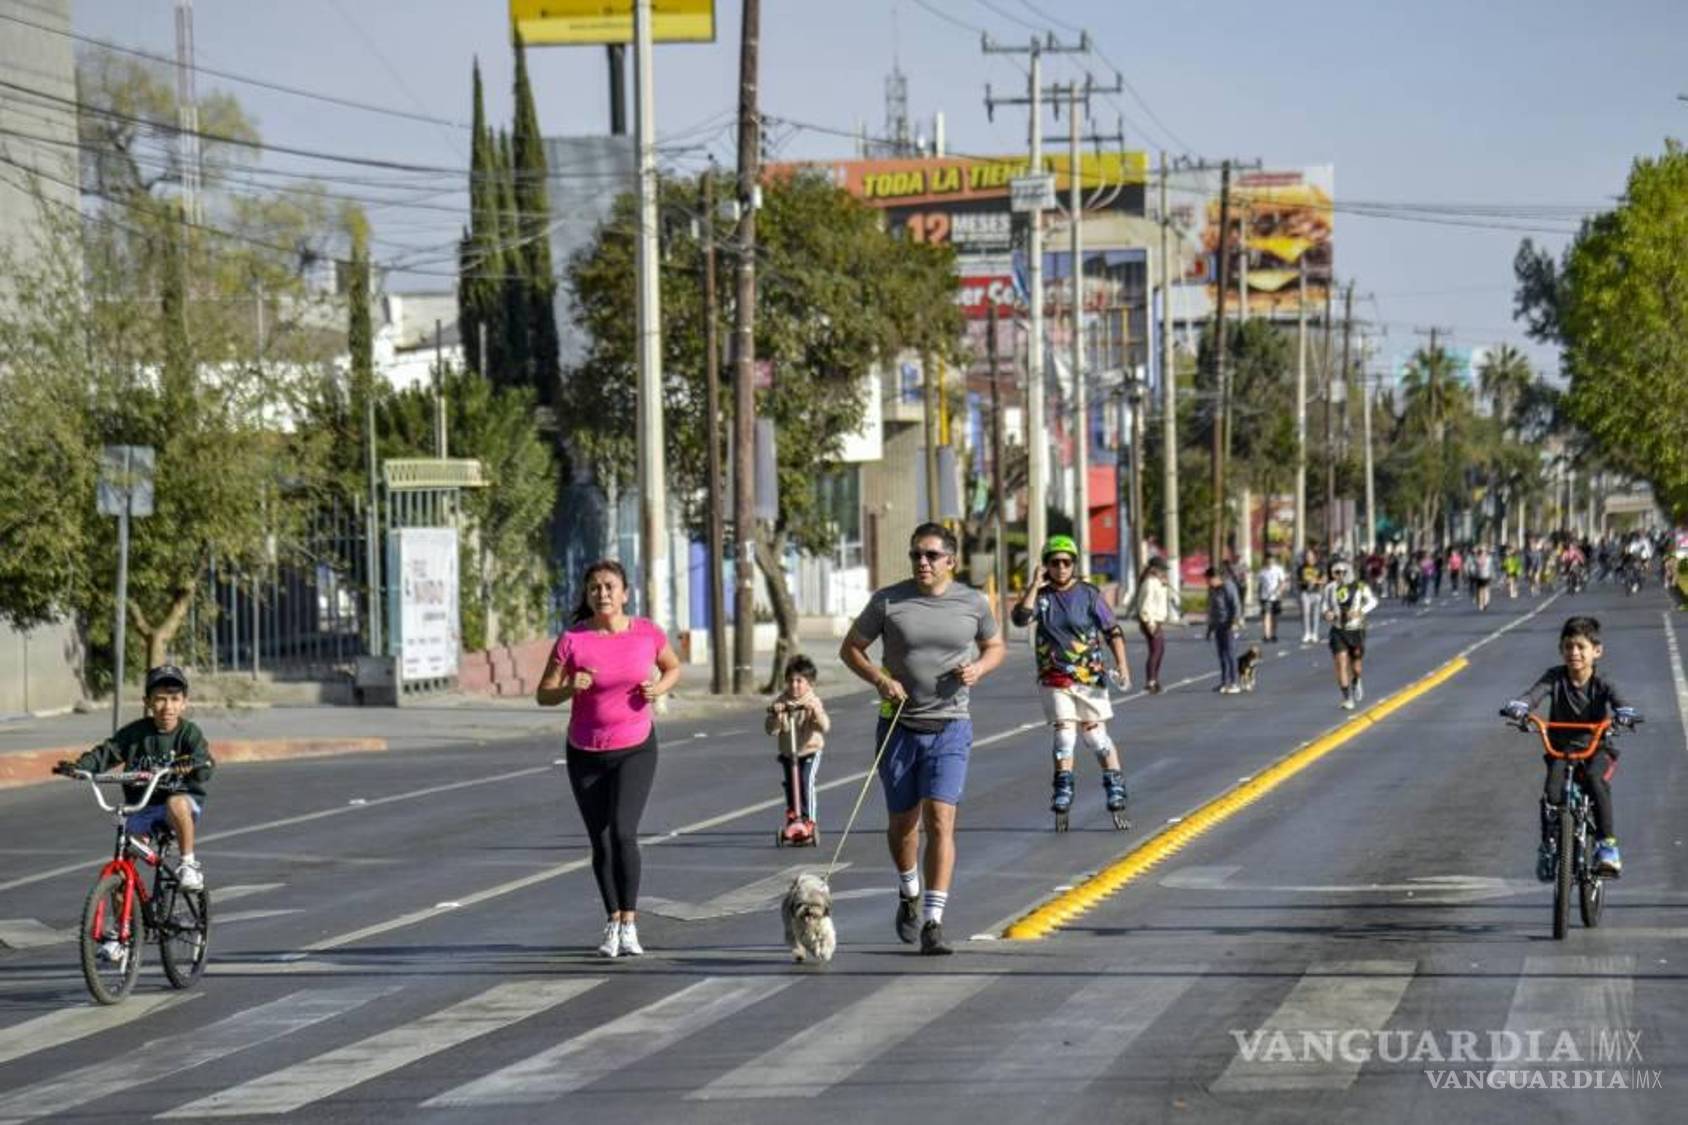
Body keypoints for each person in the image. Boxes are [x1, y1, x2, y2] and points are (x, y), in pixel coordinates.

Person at [840, 522, 1005, 956]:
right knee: (903, 826)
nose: (922, 563)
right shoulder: (889, 601)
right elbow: (851, 648)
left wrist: (979, 669)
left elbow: (996, 646)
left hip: (951, 724)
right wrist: (879, 678)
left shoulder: (972, 602)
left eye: (931, 555)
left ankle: (933, 921)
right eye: (916, 555)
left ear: (951, 559)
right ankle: (909, 890)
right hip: (899, 724)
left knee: (940, 820)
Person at [536, 559, 682, 959]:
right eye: (595, 588)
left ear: (625, 594)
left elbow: (672, 667)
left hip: (635, 746)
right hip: (584, 750)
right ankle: (613, 921)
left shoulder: (646, 632)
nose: (602, 593)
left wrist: (659, 688)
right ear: (587, 595)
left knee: (622, 832)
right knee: (600, 840)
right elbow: (543, 693)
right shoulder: (572, 640)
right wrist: (569, 686)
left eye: (609, 586)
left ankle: (631, 924)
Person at [54, 665, 216, 908]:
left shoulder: (189, 733)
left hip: (179, 806)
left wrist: (192, 764)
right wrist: (81, 768)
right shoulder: (135, 734)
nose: (167, 707)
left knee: (175, 801)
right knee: (121, 866)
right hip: (142, 807)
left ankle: (188, 864)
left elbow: (204, 766)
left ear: (184, 703)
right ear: (147, 702)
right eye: (160, 699)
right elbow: (105, 753)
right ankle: (120, 934)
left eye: (174, 699)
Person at [1501, 616, 1638, 879]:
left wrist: (1624, 713)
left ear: (1596, 651)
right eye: (1568, 647)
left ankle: (1607, 846)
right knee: (1552, 794)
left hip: (1597, 750)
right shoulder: (1555, 677)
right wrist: (1520, 707)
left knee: (1597, 783)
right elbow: (1533, 695)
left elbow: (1621, 701)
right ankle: (1550, 847)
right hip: (1561, 750)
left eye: (1581, 647)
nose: (1574, 653)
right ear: (1561, 650)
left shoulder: (1602, 683)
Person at [1011, 535, 1132, 826]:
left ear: (1074, 564)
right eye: (1055, 562)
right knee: (1065, 735)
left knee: (1095, 738)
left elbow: (1112, 631)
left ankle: (1115, 788)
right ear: (1046, 566)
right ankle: (1063, 789)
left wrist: (1123, 665)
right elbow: (1019, 619)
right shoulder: (1042, 597)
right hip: (1054, 677)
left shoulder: (1089, 595)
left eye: (1067, 562)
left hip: (1089, 677)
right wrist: (1033, 585)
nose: (1061, 568)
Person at [765, 654, 830, 843]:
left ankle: (809, 820)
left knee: (805, 781)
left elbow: (824, 726)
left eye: (799, 681)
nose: (794, 685)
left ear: (810, 683)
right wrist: (776, 715)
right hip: (788, 752)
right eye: (791, 681)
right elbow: (771, 730)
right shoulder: (781, 702)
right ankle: (794, 816)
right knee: (790, 786)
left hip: (809, 750)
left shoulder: (813, 701)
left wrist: (815, 712)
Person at [1320, 558, 1378, 710]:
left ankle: (1357, 680)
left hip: (1356, 629)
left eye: (1343, 572)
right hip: (1338, 629)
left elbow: (1373, 601)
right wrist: (1327, 613)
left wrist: (1360, 612)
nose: (1340, 575)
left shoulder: (1359, 586)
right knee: (1341, 661)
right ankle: (1347, 698)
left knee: (1356, 665)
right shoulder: (1329, 588)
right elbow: (1325, 605)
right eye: (1336, 572)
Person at [1134, 556, 1173, 693]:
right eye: (1162, 569)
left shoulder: (1157, 582)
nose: (1164, 572)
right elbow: (1146, 604)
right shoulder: (1150, 583)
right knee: (1155, 651)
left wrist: (1164, 585)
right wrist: (1150, 623)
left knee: (1159, 650)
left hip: (1156, 620)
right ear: (1154, 569)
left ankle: (1154, 680)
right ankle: (1150, 681)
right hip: (1151, 620)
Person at [1204, 566, 1242, 694]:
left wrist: (1234, 623)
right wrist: (1210, 628)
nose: (1208, 582)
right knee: (1221, 655)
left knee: (1230, 653)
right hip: (1218, 624)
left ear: (1216, 578)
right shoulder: (1212, 589)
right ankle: (1224, 682)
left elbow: (1235, 605)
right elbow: (1212, 609)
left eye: (1209, 579)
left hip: (1229, 624)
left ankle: (1234, 682)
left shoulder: (1228, 586)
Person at [1256, 553, 1287, 643]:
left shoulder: (1278, 570)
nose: (1270, 562)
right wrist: (1259, 596)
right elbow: (1260, 584)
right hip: (1265, 597)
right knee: (1266, 615)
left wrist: (1279, 592)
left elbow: (1282, 582)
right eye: (1268, 560)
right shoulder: (1262, 571)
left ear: (1274, 560)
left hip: (1275, 597)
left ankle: (1273, 634)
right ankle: (1266, 635)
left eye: (1271, 560)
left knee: (1274, 617)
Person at [1296, 548, 1324, 645]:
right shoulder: (1301, 568)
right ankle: (1307, 633)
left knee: (1316, 614)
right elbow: (1298, 581)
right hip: (1305, 592)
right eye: (1307, 556)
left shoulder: (1319, 567)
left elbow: (1324, 579)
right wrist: (1305, 582)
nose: (1308, 558)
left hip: (1316, 592)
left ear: (1314, 557)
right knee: (1306, 613)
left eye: (1310, 556)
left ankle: (1315, 633)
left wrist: (1316, 582)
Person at [1469, 544, 1496, 611]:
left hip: (1483, 576)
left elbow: (1491, 568)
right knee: (1482, 590)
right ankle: (1484, 602)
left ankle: (1484, 603)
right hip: (1481, 576)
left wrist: (1492, 574)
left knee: (1483, 589)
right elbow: (1473, 567)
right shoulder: (1488, 558)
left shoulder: (1478, 558)